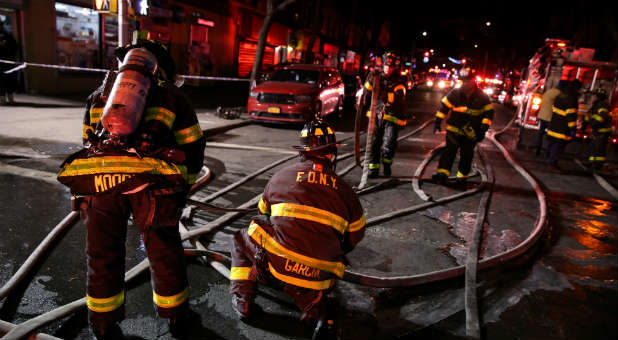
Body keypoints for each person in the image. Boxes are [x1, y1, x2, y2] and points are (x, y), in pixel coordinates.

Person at [57, 37, 205, 340]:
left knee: (102, 254)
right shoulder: (173, 97)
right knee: (164, 251)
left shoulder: (100, 96)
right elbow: (193, 146)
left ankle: (101, 323)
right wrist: (183, 188)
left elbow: (88, 144)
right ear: (159, 66)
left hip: (102, 186)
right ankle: (176, 317)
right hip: (153, 189)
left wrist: (87, 193)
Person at [229, 119, 366, 340]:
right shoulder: (346, 191)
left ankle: (243, 300)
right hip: (321, 273)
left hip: (279, 263)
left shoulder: (281, 176)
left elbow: (263, 212)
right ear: (332, 154)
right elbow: (355, 237)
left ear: (302, 152)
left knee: (241, 237)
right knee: (312, 270)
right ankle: (312, 302)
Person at [432, 67, 494, 184]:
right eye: (463, 80)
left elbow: (489, 113)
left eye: (467, 80)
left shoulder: (482, 97)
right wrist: (437, 121)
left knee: (467, 155)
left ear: (473, 80)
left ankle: (462, 177)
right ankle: (442, 174)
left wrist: (483, 128)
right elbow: (443, 108)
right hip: (454, 130)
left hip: (471, 133)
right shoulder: (455, 93)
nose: (465, 83)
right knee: (449, 152)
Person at [360, 51, 408, 178]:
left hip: (392, 116)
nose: (388, 69)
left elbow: (399, 97)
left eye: (391, 67)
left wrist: (384, 95)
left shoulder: (400, 79)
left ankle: (387, 165)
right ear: (383, 66)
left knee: (389, 143)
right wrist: (371, 79)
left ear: (394, 67)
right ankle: (373, 169)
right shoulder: (376, 76)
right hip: (375, 116)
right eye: (387, 66)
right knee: (374, 143)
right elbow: (367, 91)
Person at [546, 79, 581, 170]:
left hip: (554, 124)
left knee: (553, 144)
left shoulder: (561, 95)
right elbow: (571, 115)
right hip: (562, 127)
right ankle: (552, 164)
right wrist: (573, 128)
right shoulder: (571, 98)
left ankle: (549, 161)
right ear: (576, 88)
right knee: (558, 146)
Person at [535, 80, 567, 156]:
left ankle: (537, 150)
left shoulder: (549, 91)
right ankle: (548, 152)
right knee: (552, 136)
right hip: (550, 118)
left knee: (540, 134)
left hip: (542, 116)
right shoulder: (559, 94)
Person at [586, 88, 612, 171]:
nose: (592, 97)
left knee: (599, 149)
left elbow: (602, 116)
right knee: (595, 148)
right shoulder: (597, 105)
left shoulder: (602, 105)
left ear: (598, 96)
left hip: (602, 131)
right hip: (598, 131)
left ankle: (598, 165)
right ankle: (593, 164)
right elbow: (591, 116)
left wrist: (594, 124)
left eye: (594, 95)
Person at [0, 21, 19, 104]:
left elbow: (15, 47)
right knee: (1, 81)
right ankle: (2, 98)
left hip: (8, 62)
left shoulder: (8, 36)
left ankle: (10, 98)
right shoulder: (8, 35)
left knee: (9, 80)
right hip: (1, 64)